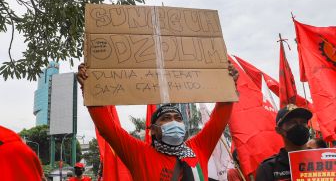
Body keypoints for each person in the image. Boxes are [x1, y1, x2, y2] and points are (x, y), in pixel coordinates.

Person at [77, 62, 239, 180]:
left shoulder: (199, 146)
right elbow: (107, 128)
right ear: (153, 130)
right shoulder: (139, 154)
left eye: (178, 118)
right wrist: (89, 87)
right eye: (166, 119)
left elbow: (220, 116)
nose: (174, 122)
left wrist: (229, 83)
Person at [255, 104, 312, 181]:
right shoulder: (268, 168)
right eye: (292, 122)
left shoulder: (324, 160)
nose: (299, 126)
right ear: (279, 130)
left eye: (303, 122)